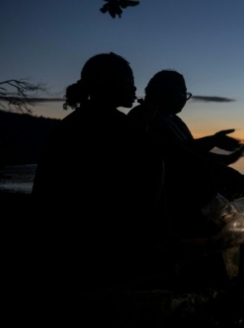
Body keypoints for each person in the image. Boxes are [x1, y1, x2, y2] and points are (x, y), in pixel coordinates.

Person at [32, 52, 172, 287]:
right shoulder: (116, 125)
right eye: (129, 81)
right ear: (110, 84)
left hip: (60, 246)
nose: (134, 88)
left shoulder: (76, 122)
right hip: (100, 252)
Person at [128, 69, 244, 238]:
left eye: (186, 94)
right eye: (182, 93)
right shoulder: (142, 118)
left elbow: (192, 152)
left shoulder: (173, 119)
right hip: (170, 207)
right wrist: (216, 148)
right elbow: (177, 153)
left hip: (191, 203)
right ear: (164, 92)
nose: (184, 99)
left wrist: (226, 159)